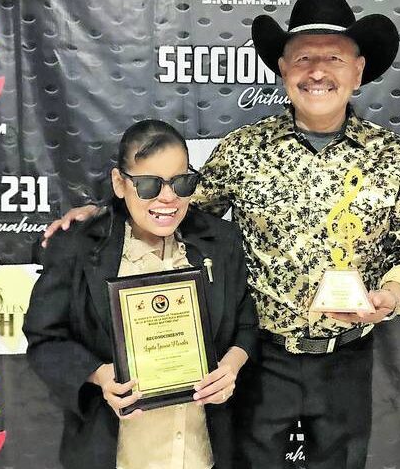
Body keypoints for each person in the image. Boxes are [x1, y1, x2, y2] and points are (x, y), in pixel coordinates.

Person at [43, 0, 400, 467]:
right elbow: (174, 207)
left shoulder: (393, 156)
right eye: (303, 58)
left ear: (358, 70)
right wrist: (104, 211)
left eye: (333, 57)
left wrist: (392, 294)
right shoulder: (244, 149)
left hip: (347, 359)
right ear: (283, 69)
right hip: (260, 360)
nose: (317, 71)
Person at [24, 120, 258, 469]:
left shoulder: (221, 242)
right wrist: (99, 374)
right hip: (118, 454)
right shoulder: (78, 247)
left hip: (201, 452)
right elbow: (45, 339)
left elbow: (246, 324)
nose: (168, 197)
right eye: (149, 185)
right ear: (120, 183)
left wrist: (231, 367)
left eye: (181, 182)